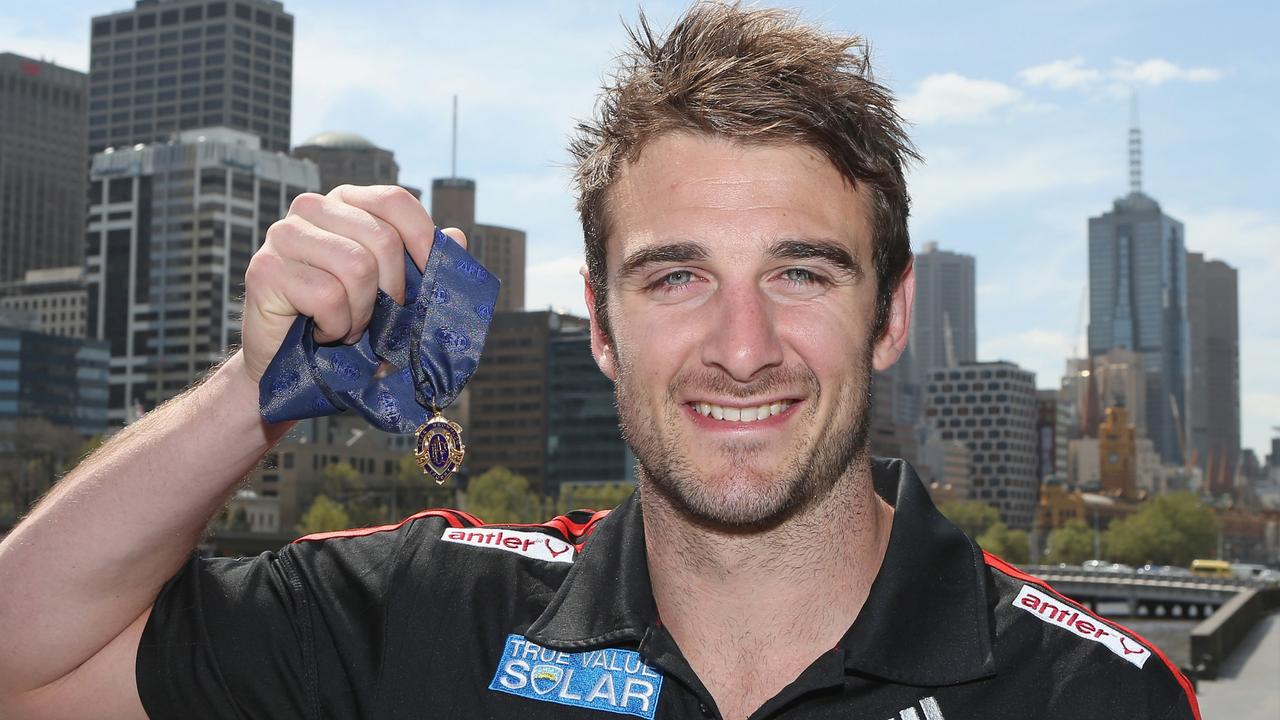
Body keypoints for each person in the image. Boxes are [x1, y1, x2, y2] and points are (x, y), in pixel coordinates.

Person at [0, 4, 1200, 719]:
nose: (741, 349)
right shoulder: (433, 615)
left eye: (800, 272)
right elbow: (27, 667)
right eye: (676, 276)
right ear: (601, 325)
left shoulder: (1090, 696)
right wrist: (246, 398)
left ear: (888, 314)